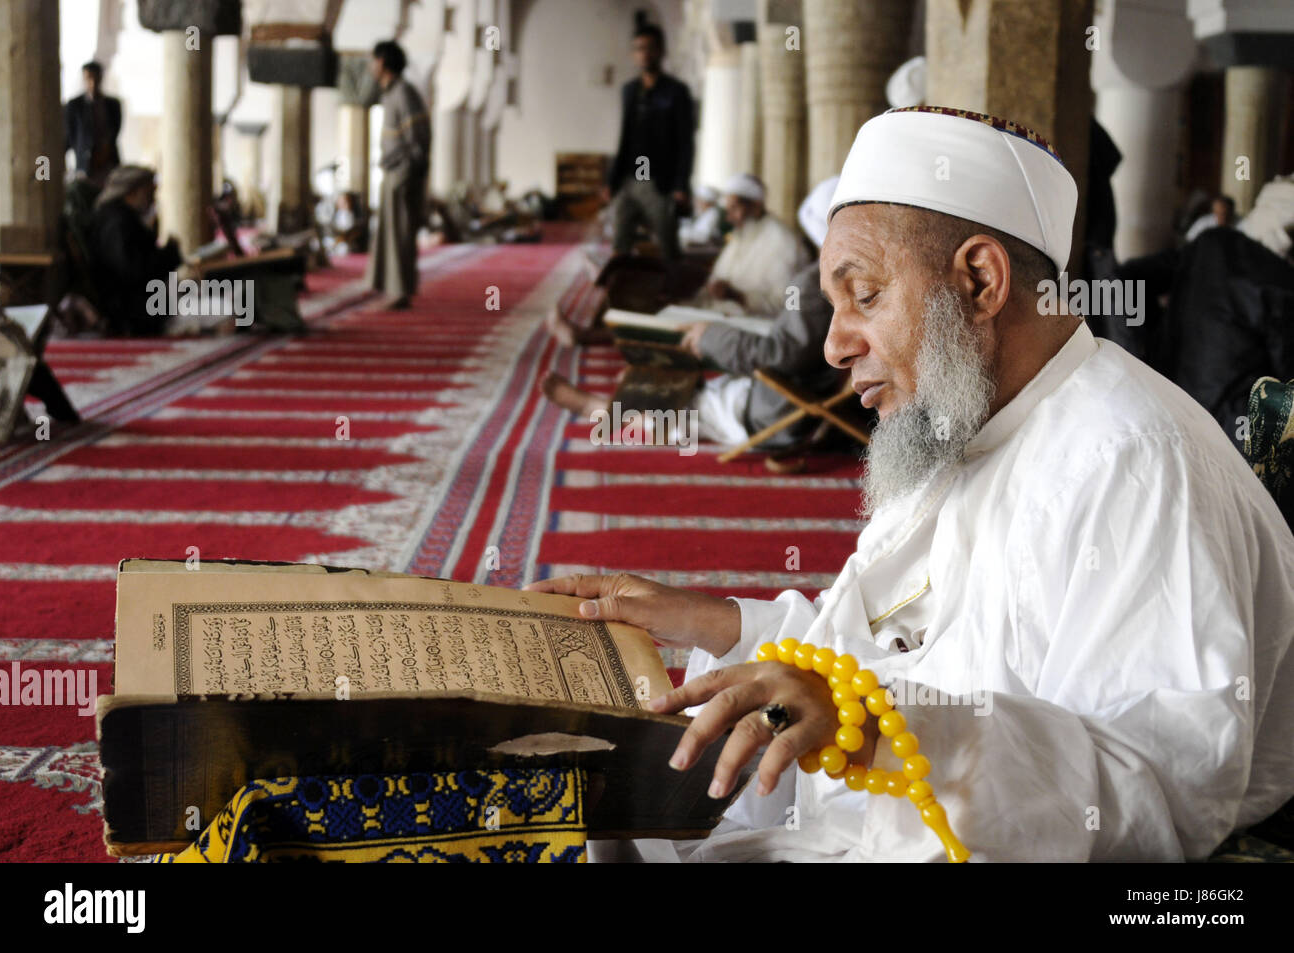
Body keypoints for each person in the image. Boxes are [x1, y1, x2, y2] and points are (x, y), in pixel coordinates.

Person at [528, 106, 1294, 862]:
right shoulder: (966, 424)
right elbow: (878, 645)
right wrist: (717, 623)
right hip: (876, 830)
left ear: (980, 280)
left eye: (864, 295)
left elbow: (1161, 787)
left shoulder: (1129, 459)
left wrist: (880, 728)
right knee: (583, 814)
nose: (832, 344)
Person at [541, 176, 841, 451]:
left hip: (784, 405)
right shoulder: (835, 277)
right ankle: (624, 391)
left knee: (699, 406)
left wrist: (713, 333)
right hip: (787, 381)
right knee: (707, 381)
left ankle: (608, 409)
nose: (730, 216)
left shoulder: (812, 278)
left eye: (736, 207)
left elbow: (781, 350)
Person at [606, 20, 695, 265]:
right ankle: (622, 295)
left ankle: (672, 294)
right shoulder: (630, 90)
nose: (643, 54)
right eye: (638, 48)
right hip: (631, 179)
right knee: (620, 241)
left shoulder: (676, 92)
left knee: (667, 246)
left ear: (660, 51)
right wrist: (612, 181)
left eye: (648, 48)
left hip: (659, 182)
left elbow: (685, 142)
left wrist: (681, 185)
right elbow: (625, 136)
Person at [365, 40, 431, 310]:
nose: (370, 66)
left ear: (382, 62)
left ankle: (399, 292)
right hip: (394, 172)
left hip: (402, 174)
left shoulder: (403, 92)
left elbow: (418, 140)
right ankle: (393, 289)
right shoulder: (391, 93)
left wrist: (406, 173)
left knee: (400, 234)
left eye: (372, 60)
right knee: (392, 234)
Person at [695, 173, 808, 316]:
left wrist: (738, 296)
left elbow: (790, 304)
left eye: (735, 209)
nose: (729, 218)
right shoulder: (742, 234)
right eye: (727, 210)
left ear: (756, 206)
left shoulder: (784, 241)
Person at [88, 165, 182, 336]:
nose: (153, 198)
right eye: (150, 192)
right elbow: (134, 273)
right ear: (133, 192)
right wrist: (169, 255)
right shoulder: (117, 223)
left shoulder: (121, 218)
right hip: (133, 311)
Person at [64, 61, 122, 186]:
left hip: (108, 165)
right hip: (86, 165)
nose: (93, 83)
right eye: (89, 78)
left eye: (96, 78)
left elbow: (115, 131)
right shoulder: (75, 105)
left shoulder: (113, 105)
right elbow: (70, 135)